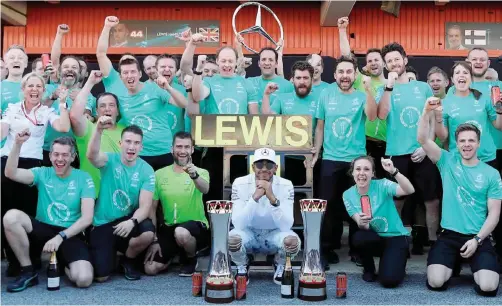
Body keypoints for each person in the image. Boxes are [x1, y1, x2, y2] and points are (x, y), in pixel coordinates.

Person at [418, 107, 501, 296]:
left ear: (479, 143)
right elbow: (423, 140)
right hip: (449, 236)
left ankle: (473, 263)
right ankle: (452, 261)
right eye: (462, 141)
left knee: (488, 287)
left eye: (471, 140)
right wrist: (426, 112)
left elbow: (494, 214)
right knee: (436, 282)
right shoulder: (447, 161)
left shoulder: (492, 173)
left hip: (478, 237)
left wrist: (477, 239)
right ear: (456, 144)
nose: (466, 144)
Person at [3, 135, 95, 292]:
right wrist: (17, 144)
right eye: (56, 154)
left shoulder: (84, 177)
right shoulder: (42, 173)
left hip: (70, 234)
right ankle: (28, 271)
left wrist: (61, 237)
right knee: (11, 217)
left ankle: (62, 262)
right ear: (50, 156)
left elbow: (87, 218)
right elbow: (10, 173)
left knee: (83, 279)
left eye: (65, 155)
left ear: (72, 157)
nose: (60, 159)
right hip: (44, 229)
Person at [1, 73, 70, 276]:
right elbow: (2, 133)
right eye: (30, 86)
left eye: (39, 86)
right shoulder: (12, 108)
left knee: (30, 213)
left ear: (43, 90)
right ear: (23, 90)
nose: (34, 89)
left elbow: (63, 127)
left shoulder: (47, 111)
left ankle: (30, 260)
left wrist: (64, 103)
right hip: (8, 162)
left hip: (32, 166)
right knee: (5, 212)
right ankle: (14, 261)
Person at [312, 55, 377, 265]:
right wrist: (317, 151)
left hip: (356, 160)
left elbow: (373, 116)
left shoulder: (361, 95)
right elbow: (320, 126)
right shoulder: (325, 94)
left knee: (357, 205)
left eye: (349, 72)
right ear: (334, 75)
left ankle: (358, 250)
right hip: (331, 158)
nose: (345, 76)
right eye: (341, 72)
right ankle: (327, 249)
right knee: (328, 205)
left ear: (355, 74)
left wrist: (368, 90)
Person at [377, 42, 441, 250]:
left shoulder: (423, 87)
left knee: (431, 200)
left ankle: (433, 243)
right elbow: (382, 114)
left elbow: (431, 120)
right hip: (396, 153)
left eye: (397, 59)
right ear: (386, 66)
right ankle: (394, 241)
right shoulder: (384, 89)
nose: (394, 63)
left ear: (405, 60)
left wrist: (426, 147)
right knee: (398, 199)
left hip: (423, 152)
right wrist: (389, 86)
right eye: (389, 61)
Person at [87, 124, 155, 281]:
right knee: (101, 277)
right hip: (103, 222)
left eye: (136, 143)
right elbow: (91, 155)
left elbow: (145, 206)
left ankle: (128, 260)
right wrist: (98, 131)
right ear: (120, 144)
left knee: (147, 233)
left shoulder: (147, 170)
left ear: (141, 147)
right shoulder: (109, 159)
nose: (132, 147)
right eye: (128, 141)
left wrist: (132, 221)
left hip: (128, 220)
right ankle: (108, 253)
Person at [191, 45, 259, 201]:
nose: (227, 64)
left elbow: (255, 116)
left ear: (236, 63)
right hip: (214, 145)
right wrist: (198, 71)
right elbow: (197, 95)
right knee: (213, 191)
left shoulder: (247, 84)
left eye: (230, 61)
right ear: (217, 62)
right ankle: (213, 225)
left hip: (240, 146)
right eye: (223, 61)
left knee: (239, 192)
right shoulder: (209, 82)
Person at [229, 148, 301, 285]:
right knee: (232, 239)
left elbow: (286, 225)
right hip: (249, 232)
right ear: (253, 167)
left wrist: (272, 199)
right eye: (259, 165)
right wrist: (254, 198)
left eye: (269, 165)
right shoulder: (239, 183)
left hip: (274, 233)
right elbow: (238, 224)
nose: (264, 169)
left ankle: (280, 263)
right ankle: (242, 265)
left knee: (292, 242)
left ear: (275, 168)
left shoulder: (286, 185)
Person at [144, 132, 210, 277]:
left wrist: (194, 175)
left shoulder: (201, 172)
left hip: (195, 227)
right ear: (171, 149)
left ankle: (191, 259)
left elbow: (205, 189)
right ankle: (173, 255)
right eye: (179, 146)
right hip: (169, 228)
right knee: (150, 268)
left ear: (192, 149)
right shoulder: (159, 174)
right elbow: (152, 208)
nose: (182, 151)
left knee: (181, 232)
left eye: (187, 147)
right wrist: (155, 239)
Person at [344, 156, 414, 287]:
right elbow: (359, 223)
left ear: (372, 173)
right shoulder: (348, 194)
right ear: (352, 172)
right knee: (359, 237)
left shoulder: (383, 184)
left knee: (389, 281)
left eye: (366, 169)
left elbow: (409, 190)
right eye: (358, 169)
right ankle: (369, 268)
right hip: (375, 237)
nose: (362, 173)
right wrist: (362, 222)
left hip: (395, 236)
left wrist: (394, 172)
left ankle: (396, 260)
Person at [339, 17, 387, 179]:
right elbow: (346, 56)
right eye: (370, 61)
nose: (373, 63)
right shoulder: (361, 80)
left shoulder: (392, 86)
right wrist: (342, 30)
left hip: (388, 145)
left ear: (384, 64)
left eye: (376, 60)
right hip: (364, 144)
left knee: (383, 189)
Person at [261, 61, 320, 186]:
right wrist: (266, 95)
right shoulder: (282, 98)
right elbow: (267, 118)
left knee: (310, 200)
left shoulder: (320, 98)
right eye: (298, 78)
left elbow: (322, 128)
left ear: (311, 79)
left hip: (312, 158)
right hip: (287, 158)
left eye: (305, 78)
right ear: (292, 80)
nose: (302, 81)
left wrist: (317, 150)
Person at [435, 61, 502, 167]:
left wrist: (500, 111)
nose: (461, 75)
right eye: (457, 73)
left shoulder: (483, 98)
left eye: (465, 73)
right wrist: (438, 119)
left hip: (486, 158)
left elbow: (499, 125)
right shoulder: (445, 103)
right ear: (452, 79)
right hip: (458, 159)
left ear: (471, 78)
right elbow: (443, 137)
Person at [70, 70, 125, 196]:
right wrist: (90, 82)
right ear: (96, 110)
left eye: (111, 105)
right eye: (102, 106)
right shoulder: (88, 128)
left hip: (119, 193)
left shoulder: (126, 131)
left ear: (117, 111)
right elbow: (74, 116)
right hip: (91, 194)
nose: (107, 109)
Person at [41, 56, 92, 168]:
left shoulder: (86, 95)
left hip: (73, 153)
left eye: (74, 67)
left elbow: (88, 118)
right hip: (45, 150)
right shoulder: (48, 89)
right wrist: (52, 96)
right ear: (59, 72)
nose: (70, 69)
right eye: (66, 67)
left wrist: (78, 101)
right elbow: (37, 109)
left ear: (79, 74)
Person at [156, 54, 188, 135]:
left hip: (177, 142)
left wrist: (168, 88)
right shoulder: (148, 88)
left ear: (176, 71)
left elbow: (187, 108)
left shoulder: (183, 90)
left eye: (171, 67)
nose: (167, 69)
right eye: (163, 66)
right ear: (156, 70)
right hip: (154, 142)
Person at [1, 45, 28, 115]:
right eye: (12, 58)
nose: (16, 60)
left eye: (20, 58)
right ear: (6, 64)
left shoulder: (34, 87)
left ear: (26, 64)